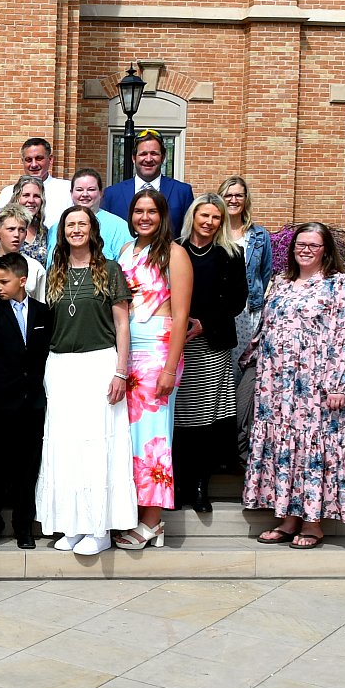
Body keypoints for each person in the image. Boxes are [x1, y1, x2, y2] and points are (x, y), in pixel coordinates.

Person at [244, 222, 345, 549]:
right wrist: (248, 359)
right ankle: (288, 518)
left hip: (317, 384)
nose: (306, 250)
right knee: (285, 449)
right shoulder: (280, 282)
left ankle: (313, 523)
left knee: (314, 448)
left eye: (313, 245)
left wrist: (339, 383)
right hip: (276, 385)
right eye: (301, 244)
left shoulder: (338, 285)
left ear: (326, 250)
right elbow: (266, 327)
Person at [36, 206, 136, 555]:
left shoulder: (110, 270)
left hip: (99, 363)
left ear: (93, 229)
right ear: (62, 232)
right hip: (61, 365)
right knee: (66, 447)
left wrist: (121, 371)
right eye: (70, 225)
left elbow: (122, 324)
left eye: (82, 223)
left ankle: (99, 529)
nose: (76, 229)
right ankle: (73, 525)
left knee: (96, 447)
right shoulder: (55, 271)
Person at [116, 189, 192, 548]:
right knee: (129, 438)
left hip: (157, 351)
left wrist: (170, 368)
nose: (144, 217)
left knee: (153, 436)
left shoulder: (175, 254)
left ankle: (152, 521)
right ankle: (132, 512)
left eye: (152, 211)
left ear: (163, 216)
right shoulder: (125, 251)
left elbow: (181, 315)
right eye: (139, 211)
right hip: (126, 350)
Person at [0, 251, 50, 550]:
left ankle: (23, 526)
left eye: (4, 281)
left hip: (32, 404)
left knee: (27, 469)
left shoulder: (43, 313)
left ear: (23, 280)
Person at [174, 194, 247, 513]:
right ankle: (178, 485)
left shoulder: (231, 254)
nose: (209, 222)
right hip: (177, 343)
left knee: (206, 418)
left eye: (216, 217)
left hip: (211, 343)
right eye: (204, 215)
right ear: (193, 216)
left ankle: (200, 486)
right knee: (179, 418)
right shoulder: (174, 249)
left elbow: (238, 299)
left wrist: (205, 324)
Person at [220, 175, 274, 464]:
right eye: (228, 194)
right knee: (222, 375)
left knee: (243, 376)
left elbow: (265, 275)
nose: (233, 200)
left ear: (245, 199)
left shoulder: (259, 236)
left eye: (238, 195)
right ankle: (222, 444)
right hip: (221, 312)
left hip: (248, 313)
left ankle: (239, 443)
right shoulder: (213, 230)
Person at [103, 131, 194, 233]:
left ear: (163, 158)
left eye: (154, 154)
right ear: (134, 158)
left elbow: (188, 234)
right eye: (143, 154)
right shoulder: (112, 194)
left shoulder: (182, 192)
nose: (148, 159)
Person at [0, 137, 72, 230]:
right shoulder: (8, 192)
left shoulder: (67, 189)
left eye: (39, 158)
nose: (34, 164)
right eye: (29, 160)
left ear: (50, 159)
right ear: (23, 161)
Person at [69, 168, 135, 261]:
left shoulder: (119, 227)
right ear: (71, 193)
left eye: (91, 189)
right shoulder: (58, 226)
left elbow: (127, 263)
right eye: (79, 190)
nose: (85, 194)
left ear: (100, 193)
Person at [0, 203, 46, 299]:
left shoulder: (35, 268)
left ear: (26, 234)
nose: (17, 235)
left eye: (21, 230)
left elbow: (40, 303)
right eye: (11, 229)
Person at [2, 176, 52, 265]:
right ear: (17, 198)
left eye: (36, 196)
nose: (31, 200)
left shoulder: (44, 232)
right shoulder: (2, 227)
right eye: (26, 195)